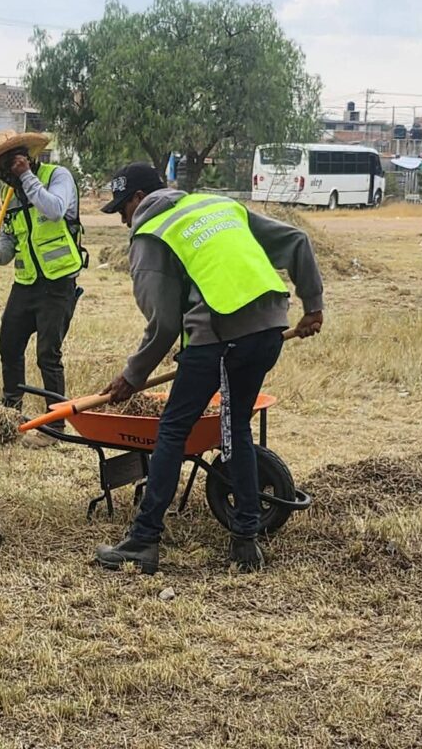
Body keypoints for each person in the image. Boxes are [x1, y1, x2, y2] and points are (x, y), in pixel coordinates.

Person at [93, 162, 324, 574]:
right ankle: (246, 541)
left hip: (220, 335)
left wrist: (132, 376)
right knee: (235, 428)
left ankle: (143, 541)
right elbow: (296, 240)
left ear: (138, 199)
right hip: (269, 328)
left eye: (122, 209)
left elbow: (163, 325)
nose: (124, 220)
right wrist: (313, 306)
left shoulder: (152, 233)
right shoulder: (218, 205)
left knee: (172, 431)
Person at [0, 130, 86, 444]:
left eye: (2, 167)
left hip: (58, 281)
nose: (0, 176)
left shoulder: (57, 177)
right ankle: (10, 417)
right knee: (8, 345)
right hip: (26, 283)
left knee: (48, 354)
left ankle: (54, 427)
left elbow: (55, 209)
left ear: (20, 159)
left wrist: (27, 178)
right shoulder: (11, 194)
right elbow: (10, 238)